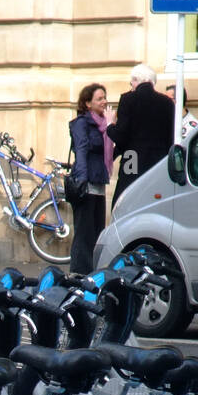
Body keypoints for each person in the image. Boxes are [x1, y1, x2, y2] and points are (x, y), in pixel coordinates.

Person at [107, 63, 175, 208]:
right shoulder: (168, 103)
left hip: (132, 159)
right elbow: (171, 139)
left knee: (125, 201)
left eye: (131, 82)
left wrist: (110, 125)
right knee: (153, 202)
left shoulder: (128, 99)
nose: (131, 86)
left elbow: (120, 136)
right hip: (158, 162)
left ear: (136, 80)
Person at [69, 83, 111, 274]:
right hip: (86, 182)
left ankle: (92, 272)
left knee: (96, 231)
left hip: (99, 180)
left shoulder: (104, 124)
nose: (104, 101)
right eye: (99, 99)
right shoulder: (82, 123)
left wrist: (110, 127)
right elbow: (82, 150)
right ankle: (79, 273)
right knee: (84, 233)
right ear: (87, 103)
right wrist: (82, 181)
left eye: (105, 97)